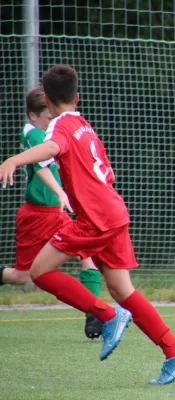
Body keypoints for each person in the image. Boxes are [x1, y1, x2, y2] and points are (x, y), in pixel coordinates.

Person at [0, 65, 175, 385]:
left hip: (95, 220)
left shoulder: (59, 127)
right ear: (77, 97)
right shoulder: (83, 124)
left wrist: (13, 160)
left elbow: (51, 148)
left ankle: (107, 315)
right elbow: (105, 171)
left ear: (46, 100)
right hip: (114, 213)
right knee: (122, 289)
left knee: (38, 272)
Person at [0, 85, 103, 339]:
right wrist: (60, 192)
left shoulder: (49, 133)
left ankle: (97, 316)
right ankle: (97, 314)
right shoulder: (34, 135)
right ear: (33, 116)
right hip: (36, 215)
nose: (51, 121)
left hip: (56, 214)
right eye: (47, 116)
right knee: (22, 276)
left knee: (86, 252)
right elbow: (43, 167)